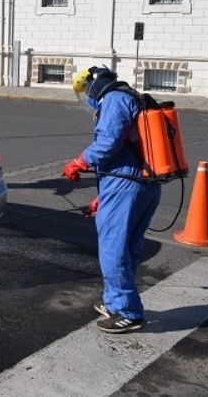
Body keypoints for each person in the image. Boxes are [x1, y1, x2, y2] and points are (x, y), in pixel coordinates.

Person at [62, 66, 161, 333]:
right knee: (127, 248)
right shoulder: (129, 96)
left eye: (85, 94)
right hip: (139, 184)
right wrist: (100, 199)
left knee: (113, 250)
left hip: (126, 186)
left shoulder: (114, 100)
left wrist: (78, 162)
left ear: (92, 86)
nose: (87, 100)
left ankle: (127, 312)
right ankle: (115, 301)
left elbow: (108, 143)